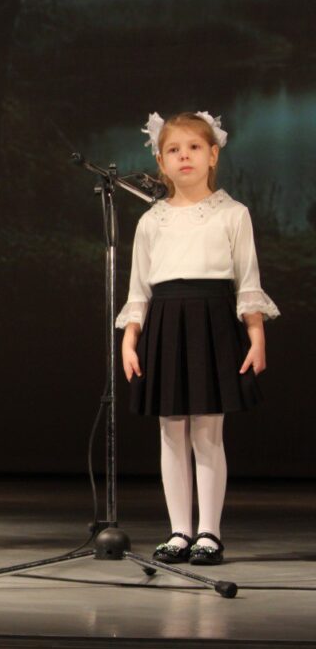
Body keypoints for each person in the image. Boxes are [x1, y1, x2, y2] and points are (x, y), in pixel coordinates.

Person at [117, 111, 278, 565]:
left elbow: (247, 282)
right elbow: (139, 289)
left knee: (208, 431)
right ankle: (179, 531)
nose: (183, 156)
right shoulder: (151, 221)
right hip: (165, 323)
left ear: (212, 155)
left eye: (193, 147)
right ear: (161, 162)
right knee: (171, 432)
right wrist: (130, 338)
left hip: (212, 321)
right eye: (173, 149)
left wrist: (256, 335)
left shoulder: (233, 214)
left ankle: (209, 532)